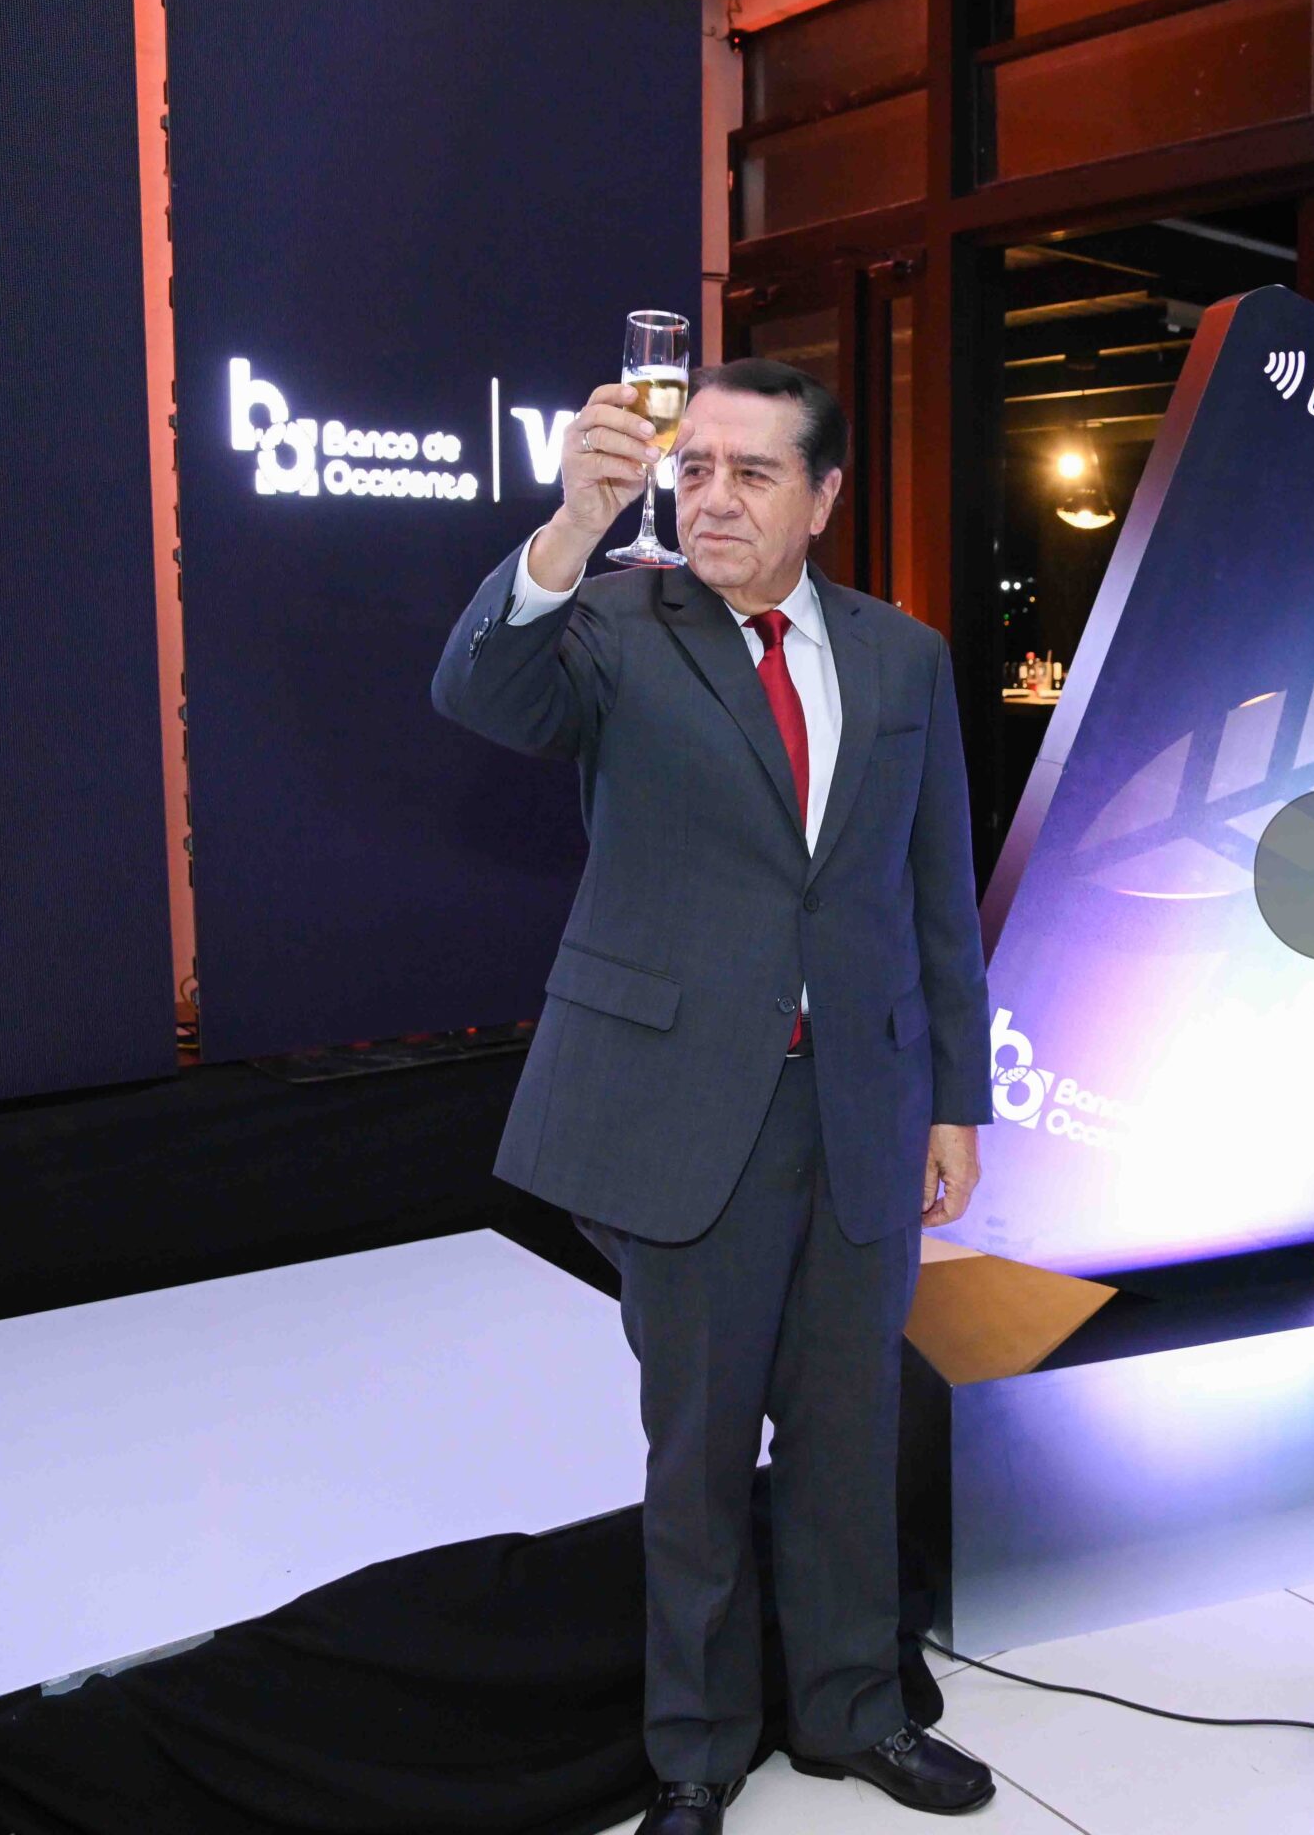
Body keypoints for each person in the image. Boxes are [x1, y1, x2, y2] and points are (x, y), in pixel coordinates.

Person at [432, 359, 994, 1832]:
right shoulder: (615, 624)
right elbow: (480, 689)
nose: (715, 497)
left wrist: (955, 1099)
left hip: (863, 1108)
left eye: (753, 472)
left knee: (847, 1436)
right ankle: (695, 1751)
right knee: (696, 1457)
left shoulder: (902, 658)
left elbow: (936, 892)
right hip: (686, 1114)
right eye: (697, 469)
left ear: (825, 496)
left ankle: (852, 1711)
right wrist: (573, 523)